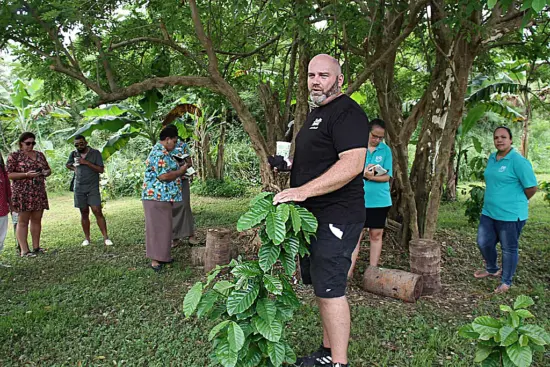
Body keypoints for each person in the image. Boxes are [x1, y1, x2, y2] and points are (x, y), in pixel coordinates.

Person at [273, 54, 369, 367]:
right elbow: (319, 160)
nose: (316, 80)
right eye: (312, 75)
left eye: (324, 75)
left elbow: (353, 164)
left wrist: (302, 191)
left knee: (331, 288)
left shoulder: (347, 113)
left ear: (339, 79)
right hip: (314, 216)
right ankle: (327, 353)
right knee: (321, 286)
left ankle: (339, 363)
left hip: (337, 214)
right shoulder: (318, 114)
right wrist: (289, 167)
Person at [474, 126, 537, 293]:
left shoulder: (518, 161)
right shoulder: (492, 158)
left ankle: (506, 282)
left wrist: (516, 202)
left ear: (511, 140)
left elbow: (531, 187)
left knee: (508, 248)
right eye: (496, 137)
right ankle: (492, 268)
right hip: (489, 212)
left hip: (510, 215)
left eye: (503, 137)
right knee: (483, 242)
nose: (499, 140)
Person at [142, 125, 191, 272]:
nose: (175, 145)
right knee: (156, 228)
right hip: (155, 196)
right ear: (167, 139)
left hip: (163, 197)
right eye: (174, 142)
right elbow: (163, 176)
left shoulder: (165, 152)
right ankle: (155, 260)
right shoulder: (159, 153)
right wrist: (181, 171)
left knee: (164, 227)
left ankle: (164, 256)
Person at [348, 119, 392, 278]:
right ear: (367, 132)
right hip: (358, 198)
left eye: (381, 137)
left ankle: (372, 273)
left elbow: (387, 176)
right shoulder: (358, 148)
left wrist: (370, 176)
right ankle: (348, 272)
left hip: (380, 200)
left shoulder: (386, 151)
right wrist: (363, 174)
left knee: (376, 234)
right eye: (374, 136)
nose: (377, 140)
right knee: (355, 235)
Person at [6, 132, 51, 257]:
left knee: (37, 220)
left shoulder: (39, 155)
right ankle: (24, 250)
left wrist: (45, 172)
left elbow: (48, 169)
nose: (30, 145)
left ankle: (36, 247)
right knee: (23, 221)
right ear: (21, 143)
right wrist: (26, 175)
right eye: (28, 143)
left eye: (33, 143)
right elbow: (9, 174)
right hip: (22, 193)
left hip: (38, 191)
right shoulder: (14, 156)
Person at [66, 135, 113, 246]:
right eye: (76, 144)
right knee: (84, 212)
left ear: (86, 142)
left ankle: (106, 237)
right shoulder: (74, 154)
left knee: (97, 210)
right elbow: (68, 164)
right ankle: (87, 238)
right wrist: (74, 168)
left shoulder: (95, 153)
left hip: (92, 186)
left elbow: (100, 169)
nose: (79, 146)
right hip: (79, 186)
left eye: (81, 143)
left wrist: (86, 162)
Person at [171, 137, 198, 247]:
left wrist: (184, 166)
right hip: (169, 183)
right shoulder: (161, 148)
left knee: (185, 205)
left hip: (182, 180)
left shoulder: (182, 146)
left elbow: (189, 162)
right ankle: (175, 237)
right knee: (172, 207)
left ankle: (191, 235)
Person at [0, 151, 12, 267]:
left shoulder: (2, 169)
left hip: (2, 207)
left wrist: (10, 202)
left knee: (1, 236)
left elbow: (7, 187)